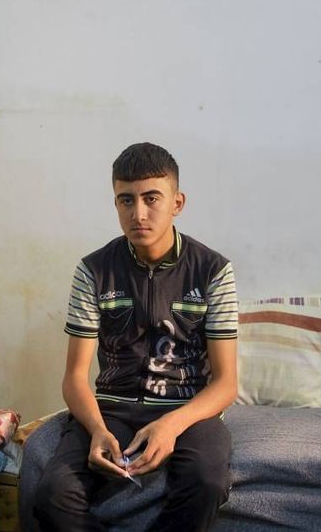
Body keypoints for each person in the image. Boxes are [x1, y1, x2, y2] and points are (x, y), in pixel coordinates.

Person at [34, 142, 239, 531]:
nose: (138, 213)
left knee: (206, 482)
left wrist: (170, 426)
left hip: (189, 408)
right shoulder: (93, 270)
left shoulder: (213, 270)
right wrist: (96, 429)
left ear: (177, 203)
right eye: (125, 200)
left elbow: (226, 383)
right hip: (112, 407)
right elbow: (75, 376)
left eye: (151, 199)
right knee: (51, 496)